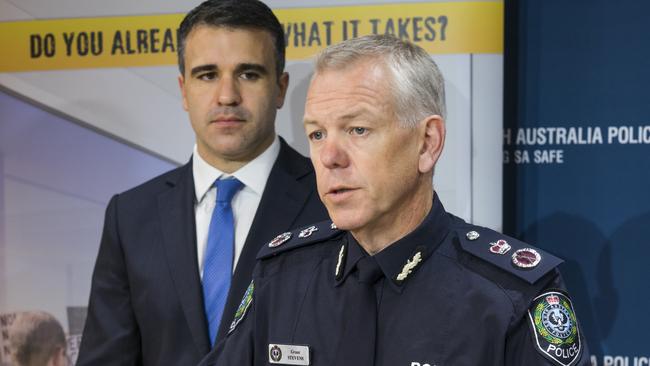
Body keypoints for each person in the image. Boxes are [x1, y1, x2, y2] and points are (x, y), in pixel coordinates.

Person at [199, 35, 590, 366]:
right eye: (317, 134)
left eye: (358, 129)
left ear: (427, 143)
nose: (330, 157)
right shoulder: (280, 276)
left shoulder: (510, 295)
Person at [76, 1, 328, 365]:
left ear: (280, 88)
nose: (227, 96)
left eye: (249, 74)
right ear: (183, 89)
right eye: (207, 75)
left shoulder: (331, 201)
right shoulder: (130, 217)